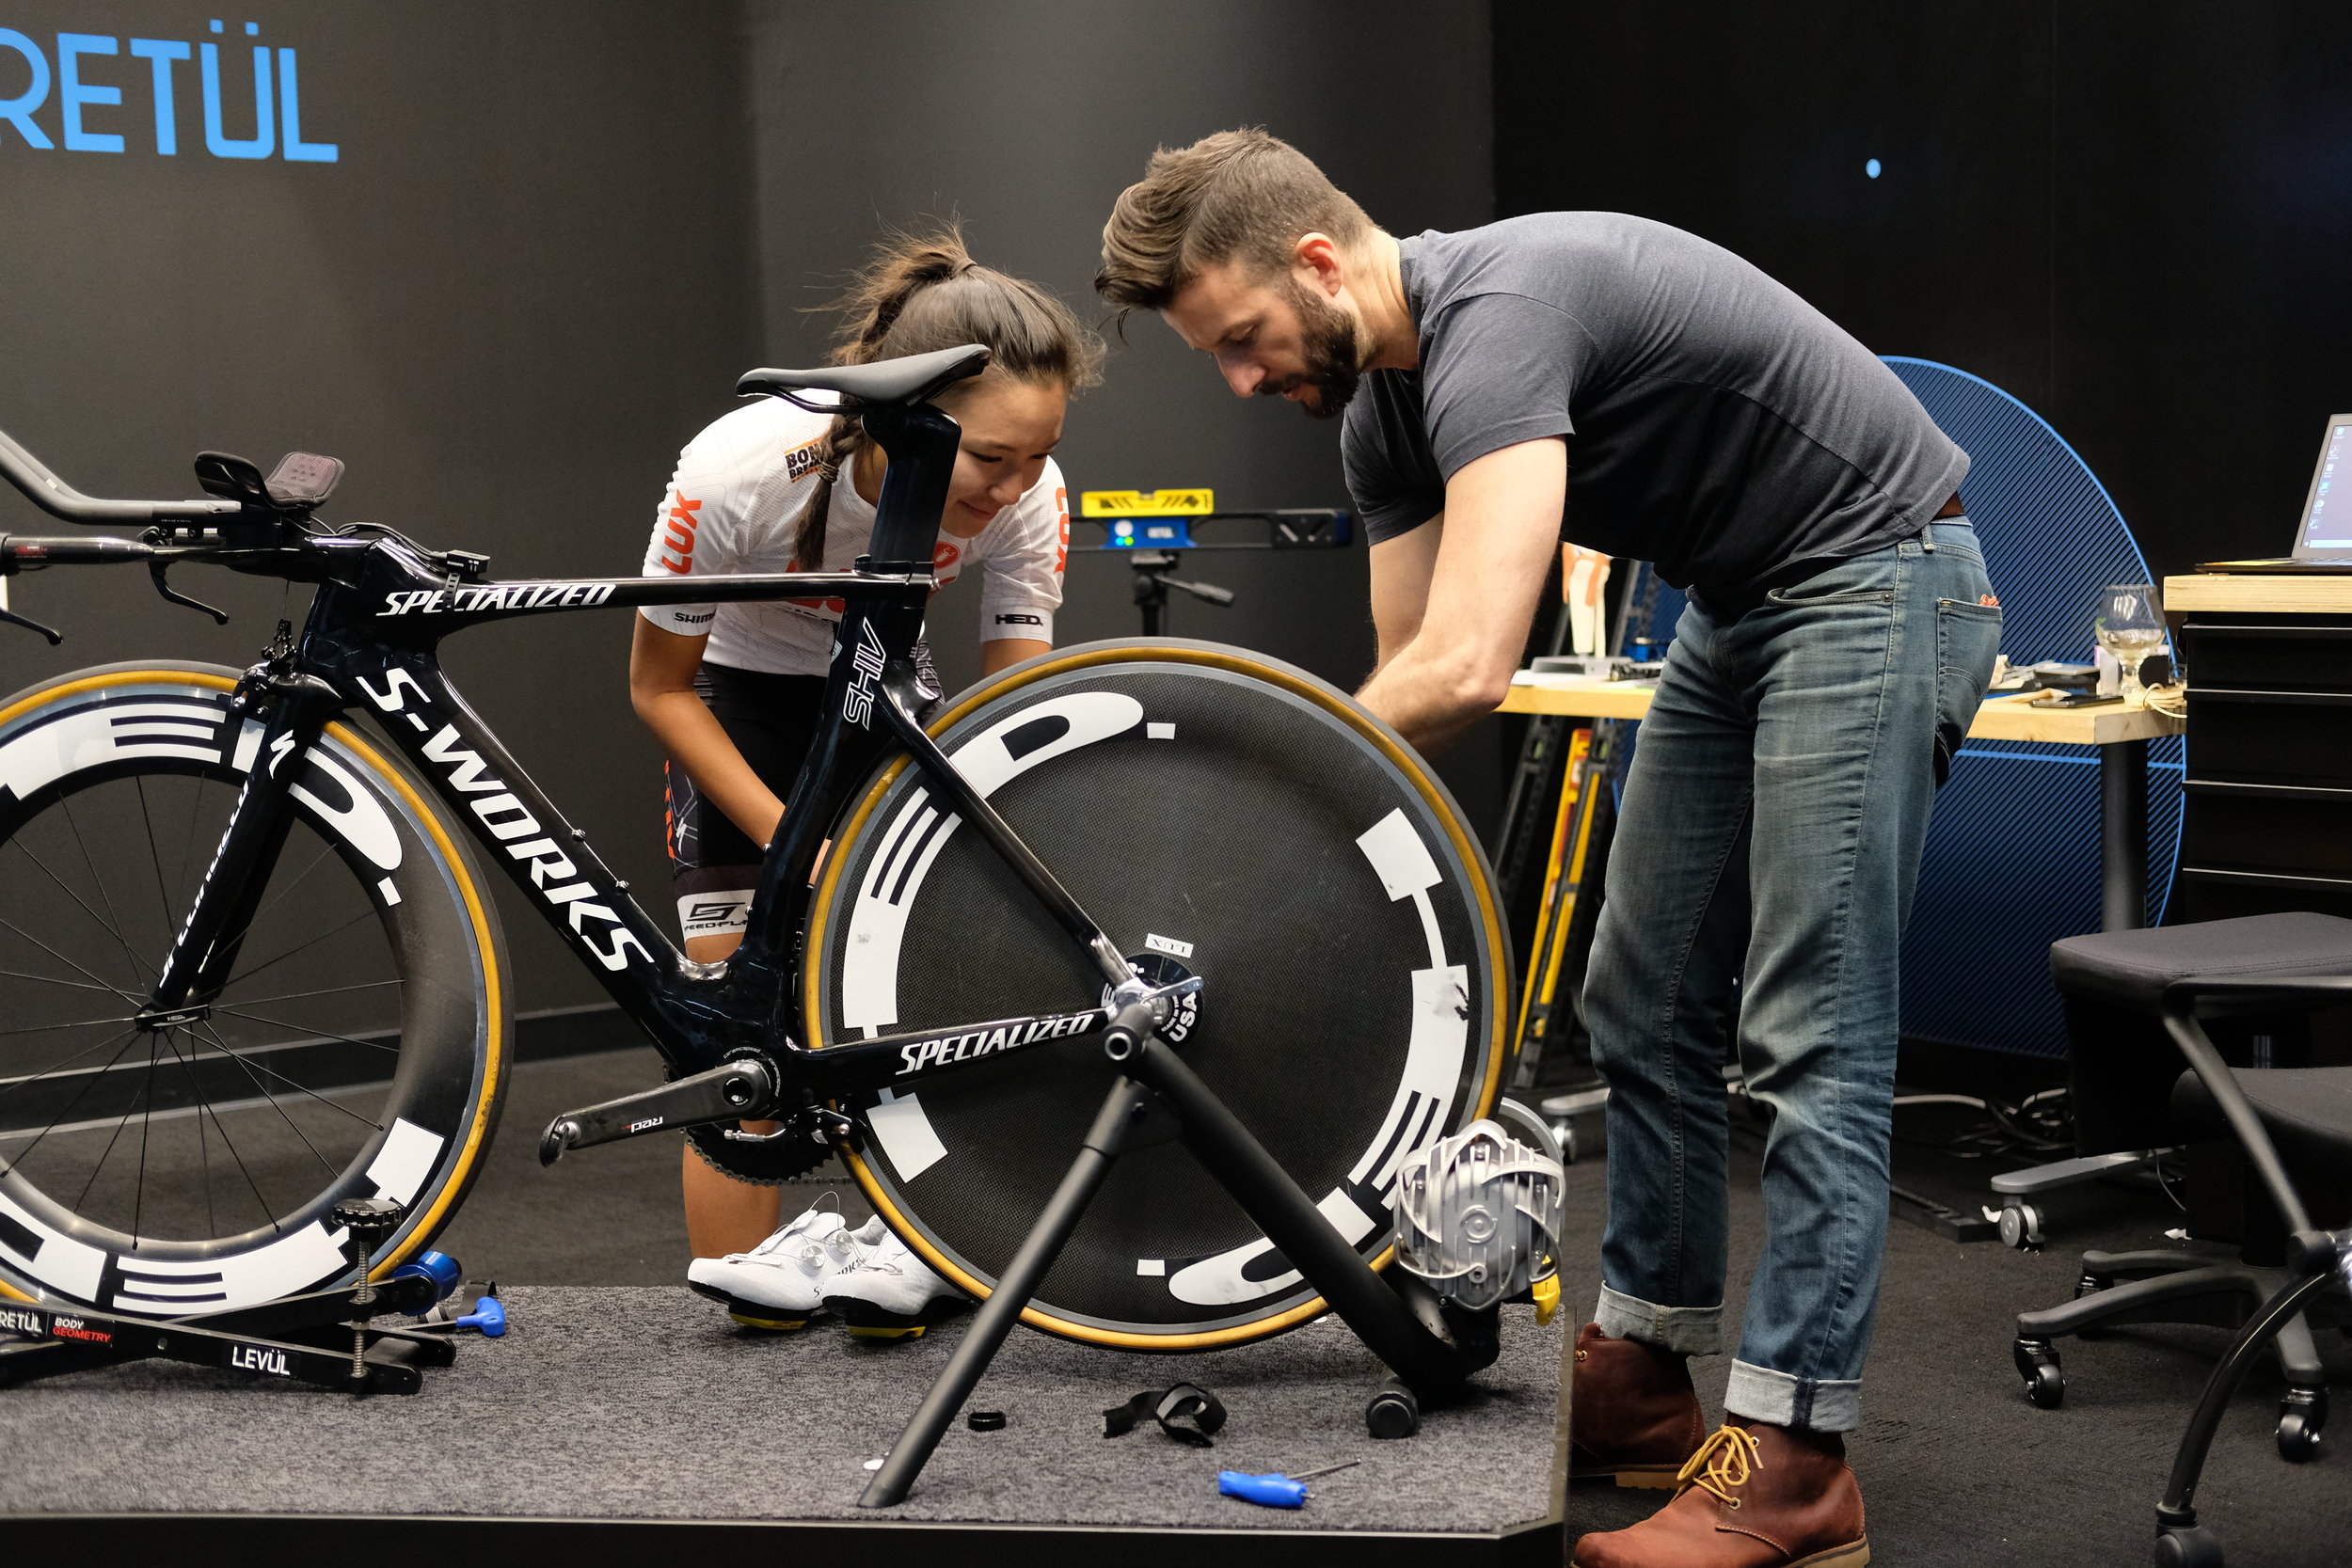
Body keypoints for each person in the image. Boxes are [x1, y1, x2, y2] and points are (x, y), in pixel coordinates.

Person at [1098, 130, 1997, 1568]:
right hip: (1738, 600)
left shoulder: (1497, 318)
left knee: (1811, 1023)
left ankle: (1798, 1458)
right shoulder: (1380, 416)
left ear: (1320, 262)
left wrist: (1233, 836)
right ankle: (1646, 1370)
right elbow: (1402, 693)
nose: (1244, 380)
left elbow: (1464, 664)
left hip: (1877, 570)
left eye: (1246, 337)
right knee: (1637, 993)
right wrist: (1276, 861)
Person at [631, 228, 1102, 1331]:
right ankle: (746, 1296)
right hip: (733, 702)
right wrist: (806, 843)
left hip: (880, 679)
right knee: (731, 1016)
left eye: (1041, 453)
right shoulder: (736, 470)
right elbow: (660, 690)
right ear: (904, 420)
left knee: (937, 986)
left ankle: (915, 1244)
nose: (1017, 484)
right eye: (992, 459)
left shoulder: (1034, 491)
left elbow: (1012, 703)